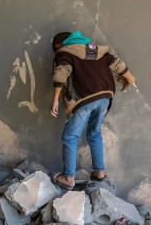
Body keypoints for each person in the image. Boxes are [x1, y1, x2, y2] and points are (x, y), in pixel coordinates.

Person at [49, 30, 135, 190]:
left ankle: (68, 177)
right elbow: (118, 63)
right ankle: (99, 172)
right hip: (105, 97)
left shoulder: (65, 53)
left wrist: (55, 100)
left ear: (59, 45)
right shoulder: (95, 49)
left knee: (70, 137)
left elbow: (61, 72)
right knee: (94, 133)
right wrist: (130, 78)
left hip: (85, 98)